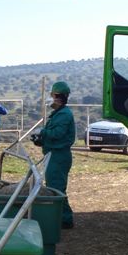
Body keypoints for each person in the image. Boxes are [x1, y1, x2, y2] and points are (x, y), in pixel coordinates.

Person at [32, 81, 76, 229]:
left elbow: (58, 134)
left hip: (59, 156)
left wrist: (43, 132)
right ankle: (61, 217)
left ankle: (65, 219)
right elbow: (53, 135)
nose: (50, 97)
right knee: (53, 186)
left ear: (59, 97)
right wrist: (40, 140)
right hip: (53, 154)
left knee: (56, 188)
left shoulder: (64, 114)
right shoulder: (57, 114)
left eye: (52, 95)